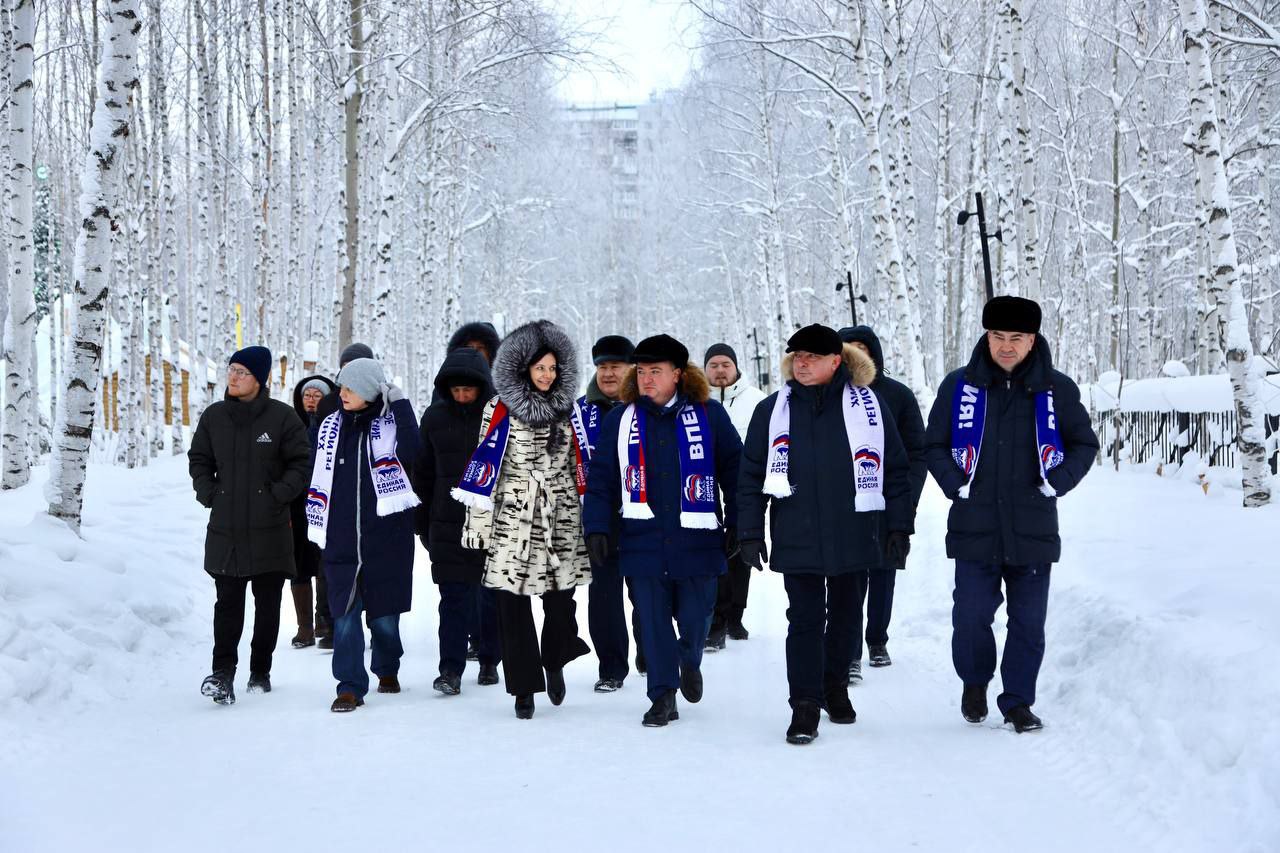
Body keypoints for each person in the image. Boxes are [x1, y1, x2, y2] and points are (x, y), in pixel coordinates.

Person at [925, 296, 1098, 733]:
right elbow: (933, 444)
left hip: (1032, 526)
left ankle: (1018, 701)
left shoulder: (1056, 389)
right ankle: (975, 682)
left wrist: (1057, 481)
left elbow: (1084, 443)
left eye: (1015, 338)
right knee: (970, 617)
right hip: (974, 524)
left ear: (1032, 339)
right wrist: (954, 483)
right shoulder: (958, 387)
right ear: (986, 336)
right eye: (997, 336)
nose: (1005, 346)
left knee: (1028, 623)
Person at [737, 324, 913, 745]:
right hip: (797, 532)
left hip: (855, 531)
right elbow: (751, 474)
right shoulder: (772, 410)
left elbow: (896, 470)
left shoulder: (869, 406)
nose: (802, 363)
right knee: (804, 619)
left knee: (848, 617)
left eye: (812, 357)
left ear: (836, 361)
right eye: (797, 356)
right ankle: (804, 703)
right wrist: (748, 530)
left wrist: (898, 526)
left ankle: (835, 687)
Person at [583, 334, 742, 728]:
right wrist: (599, 526)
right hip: (641, 539)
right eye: (641, 372)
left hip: (698, 540)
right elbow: (602, 479)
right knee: (651, 621)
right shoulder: (621, 420)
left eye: (656, 371)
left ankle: (689, 659)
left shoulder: (709, 415)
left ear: (677, 374)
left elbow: (735, 471)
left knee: (696, 617)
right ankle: (662, 695)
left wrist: (742, 522)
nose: (646, 379)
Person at [455, 320, 591, 720]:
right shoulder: (497, 410)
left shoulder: (570, 410)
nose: (547, 375)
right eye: (540, 368)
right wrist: (478, 528)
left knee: (562, 603)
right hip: (513, 521)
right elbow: (483, 470)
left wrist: (590, 519)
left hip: (561, 517)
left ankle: (555, 659)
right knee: (511, 610)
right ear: (523, 369)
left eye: (552, 368)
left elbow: (580, 466)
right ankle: (524, 689)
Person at [189, 346, 312, 705]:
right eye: (231, 370)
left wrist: (279, 494)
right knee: (227, 603)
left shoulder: (282, 418)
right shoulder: (214, 417)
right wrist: (210, 492)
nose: (233, 377)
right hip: (226, 528)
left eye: (242, 372)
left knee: (267, 604)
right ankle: (222, 673)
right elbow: (199, 458)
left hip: (270, 528)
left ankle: (260, 670)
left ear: (259, 378)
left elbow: (301, 462)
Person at [306, 358, 421, 712]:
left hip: (385, 539)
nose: (341, 393)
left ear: (370, 391)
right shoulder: (329, 428)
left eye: (350, 388)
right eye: (341, 386)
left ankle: (387, 668)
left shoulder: (391, 426)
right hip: (341, 541)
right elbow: (315, 473)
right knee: (344, 617)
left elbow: (414, 454)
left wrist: (400, 406)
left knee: (384, 618)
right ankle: (349, 686)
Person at [837, 325, 927, 678]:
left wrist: (908, 501)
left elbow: (915, 453)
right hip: (847, 504)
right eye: (849, 348)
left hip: (890, 499)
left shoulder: (898, 396)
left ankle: (877, 638)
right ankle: (850, 650)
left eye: (863, 348)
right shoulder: (831, 395)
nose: (856, 354)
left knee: (884, 573)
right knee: (849, 578)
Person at [414, 346, 501, 694]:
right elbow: (422, 474)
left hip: (493, 525)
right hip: (447, 524)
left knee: (491, 595)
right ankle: (450, 670)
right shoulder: (434, 418)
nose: (463, 396)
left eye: (470, 390)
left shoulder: (499, 419)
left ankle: (490, 660)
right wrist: (423, 524)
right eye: (456, 390)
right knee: (452, 599)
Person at [573, 334, 644, 693]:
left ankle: (650, 650)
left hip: (643, 515)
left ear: (632, 368)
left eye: (615, 365)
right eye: (602, 366)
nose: (608, 373)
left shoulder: (648, 406)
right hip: (597, 518)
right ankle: (611, 666)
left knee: (647, 592)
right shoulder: (577, 412)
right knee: (603, 597)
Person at [702, 343, 766, 650]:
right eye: (713, 365)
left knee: (741, 550)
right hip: (705, 487)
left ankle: (736, 615)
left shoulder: (756, 401)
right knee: (714, 551)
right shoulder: (696, 402)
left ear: (736, 367)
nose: (719, 370)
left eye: (725, 364)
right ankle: (715, 617)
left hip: (745, 485)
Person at [288, 373, 339, 649]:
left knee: (323, 562)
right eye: (307, 395)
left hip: (324, 501)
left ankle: (324, 619)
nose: (311, 400)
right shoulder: (290, 423)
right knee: (298, 564)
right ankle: (304, 627)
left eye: (317, 395)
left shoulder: (333, 424)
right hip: (295, 503)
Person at [314, 342, 375, 423]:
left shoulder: (381, 402)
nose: (349, 371)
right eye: (346, 366)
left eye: (354, 366)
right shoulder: (328, 403)